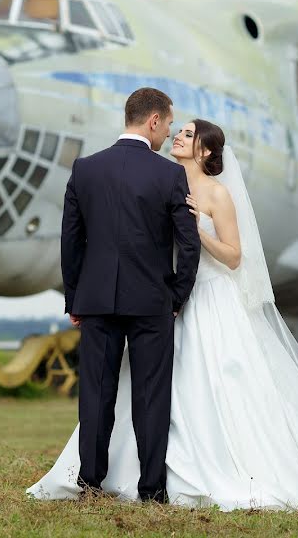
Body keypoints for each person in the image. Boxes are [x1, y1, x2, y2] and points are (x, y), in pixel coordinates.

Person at [30, 117, 298, 517]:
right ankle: (140, 474)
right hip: (164, 301)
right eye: (177, 131)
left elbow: (234, 256)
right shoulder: (162, 179)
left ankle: (207, 469)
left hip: (207, 296)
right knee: (149, 391)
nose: (177, 137)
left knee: (208, 383)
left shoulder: (217, 194)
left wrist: (196, 231)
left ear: (206, 151)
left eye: (188, 135)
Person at [56, 87, 201, 503]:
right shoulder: (169, 176)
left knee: (96, 396)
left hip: (96, 299)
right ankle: (151, 489)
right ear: (153, 120)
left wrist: (74, 297)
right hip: (152, 301)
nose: (169, 131)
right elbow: (187, 244)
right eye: (169, 123)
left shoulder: (85, 169)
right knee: (151, 396)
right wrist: (177, 295)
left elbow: (71, 241)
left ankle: (90, 484)